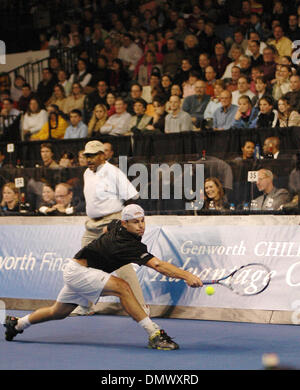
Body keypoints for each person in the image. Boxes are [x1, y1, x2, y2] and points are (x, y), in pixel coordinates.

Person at [4, 204, 203, 349]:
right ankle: (154, 334)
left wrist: (102, 247)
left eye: (143, 221)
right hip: (81, 272)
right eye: (135, 222)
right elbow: (158, 265)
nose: (141, 226)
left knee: (58, 311)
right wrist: (187, 276)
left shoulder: (116, 225)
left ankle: (18, 323)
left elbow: (107, 227)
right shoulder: (129, 244)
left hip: (77, 268)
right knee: (123, 287)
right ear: (125, 224)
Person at [71, 140, 148, 317]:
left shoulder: (114, 172)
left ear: (102, 155)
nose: (88, 159)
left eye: (92, 156)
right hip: (91, 225)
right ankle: (86, 305)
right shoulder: (86, 174)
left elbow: (131, 197)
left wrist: (126, 224)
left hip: (112, 222)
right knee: (82, 265)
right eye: (86, 156)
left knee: (122, 265)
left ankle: (141, 307)